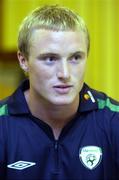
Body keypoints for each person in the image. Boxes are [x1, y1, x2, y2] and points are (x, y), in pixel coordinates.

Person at [0, 4, 119, 180]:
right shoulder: (3, 126)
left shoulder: (113, 121)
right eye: (50, 59)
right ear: (23, 60)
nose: (65, 74)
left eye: (75, 58)